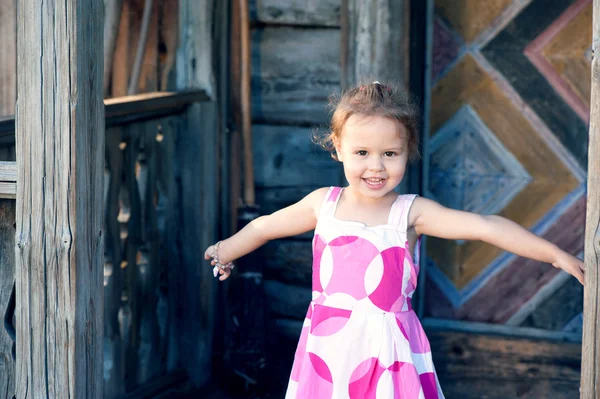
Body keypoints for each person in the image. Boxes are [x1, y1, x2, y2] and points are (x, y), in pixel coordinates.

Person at [204, 81, 585, 398]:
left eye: (390, 153)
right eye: (362, 152)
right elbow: (266, 225)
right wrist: (226, 250)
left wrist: (554, 255)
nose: (376, 166)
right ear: (337, 148)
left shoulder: (410, 212)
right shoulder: (324, 204)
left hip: (390, 353)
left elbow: (485, 225)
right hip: (329, 347)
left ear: (407, 152)